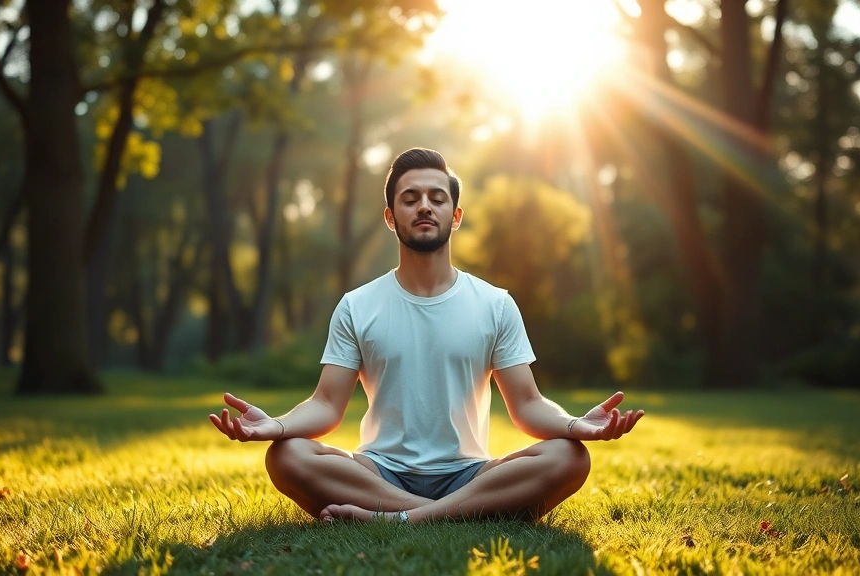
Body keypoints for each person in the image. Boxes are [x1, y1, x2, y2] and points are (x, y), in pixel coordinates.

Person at [209, 148, 644, 524]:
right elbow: (326, 404)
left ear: (455, 216)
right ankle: (451, 514)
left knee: (569, 456)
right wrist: (278, 425)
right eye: (410, 198)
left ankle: (403, 518)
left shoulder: (495, 304)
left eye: (437, 198)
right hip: (379, 472)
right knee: (286, 455)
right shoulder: (358, 305)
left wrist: (574, 425)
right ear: (390, 216)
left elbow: (527, 404)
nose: (424, 207)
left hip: (469, 474)